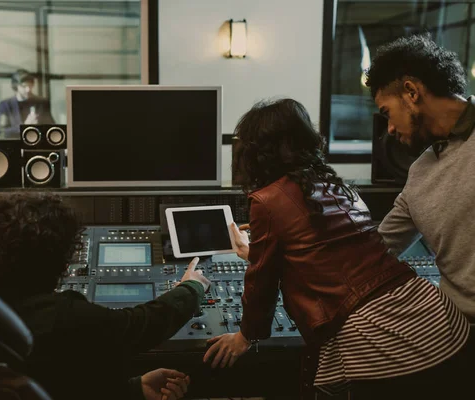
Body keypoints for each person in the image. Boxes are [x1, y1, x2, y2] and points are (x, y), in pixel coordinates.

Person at [202, 98, 470, 398]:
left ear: (257, 151)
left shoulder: (266, 200)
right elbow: (328, 255)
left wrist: (246, 337)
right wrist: (256, 253)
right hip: (438, 317)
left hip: (376, 337)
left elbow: (262, 282)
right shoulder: (341, 188)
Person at [0, 192, 211, 400]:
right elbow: (141, 324)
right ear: (55, 257)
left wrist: (132, 389)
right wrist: (192, 287)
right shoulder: (63, 317)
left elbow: (54, 383)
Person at [365, 34, 475, 323]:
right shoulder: (420, 171)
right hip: (457, 332)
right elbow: (374, 251)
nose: (388, 129)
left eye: (387, 113)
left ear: (411, 92)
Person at [0, 69, 55, 138]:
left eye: (30, 85)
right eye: (24, 86)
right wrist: (24, 126)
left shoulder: (42, 103)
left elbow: (51, 127)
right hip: (16, 145)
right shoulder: (6, 105)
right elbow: (3, 132)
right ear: (16, 86)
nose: (28, 89)